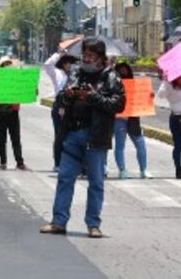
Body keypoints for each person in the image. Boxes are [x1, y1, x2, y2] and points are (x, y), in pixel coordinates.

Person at [40, 39, 124, 238]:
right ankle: (58, 221)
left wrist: (93, 97)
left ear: (100, 58)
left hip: (95, 136)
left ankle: (93, 224)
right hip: (72, 133)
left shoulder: (111, 77)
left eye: (91, 56)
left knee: (96, 182)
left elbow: (118, 104)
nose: (86, 59)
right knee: (65, 178)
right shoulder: (76, 73)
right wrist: (68, 95)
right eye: (84, 55)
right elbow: (60, 98)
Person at [112, 62, 150, 179]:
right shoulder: (113, 85)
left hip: (133, 119)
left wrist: (149, 97)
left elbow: (141, 99)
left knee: (140, 144)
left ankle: (144, 170)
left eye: (125, 69)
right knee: (120, 145)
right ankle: (122, 170)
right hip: (119, 119)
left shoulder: (135, 85)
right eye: (120, 70)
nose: (123, 72)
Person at [43, 51, 76, 171]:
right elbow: (47, 65)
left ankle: (71, 162)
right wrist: (59, 54)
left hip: (72, 107)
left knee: (72, 136)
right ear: (63, 64)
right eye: (68, 63)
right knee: (59, 136)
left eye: (71, 63)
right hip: (59, 106)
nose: (70, 65)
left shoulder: (75, 76)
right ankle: (58, 163)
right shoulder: (57, 73)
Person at [0, 57, 27, 171]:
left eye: (9, 64)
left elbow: (24, 92)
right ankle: (3, 162)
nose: (8, 67)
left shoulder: (15, 80)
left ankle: (20, 162)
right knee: (2, 138)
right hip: (1, 112)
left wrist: (31, 91)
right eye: (5, 65)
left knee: (15, 138)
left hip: (13, 111)